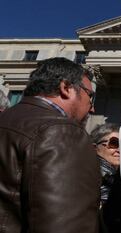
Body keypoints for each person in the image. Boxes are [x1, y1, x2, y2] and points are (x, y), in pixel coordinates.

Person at [0, 57, 101, 233]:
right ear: (66, 88)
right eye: (90, 96)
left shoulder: (6, 119)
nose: (92, 108)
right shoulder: (61, 131)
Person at [91, 123, 121, 204]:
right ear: (94, 148)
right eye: (114, 143)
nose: (119, 150)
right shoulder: (94, 176)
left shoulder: (115, 176)